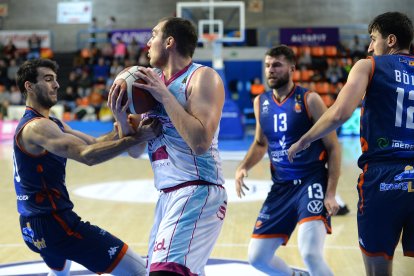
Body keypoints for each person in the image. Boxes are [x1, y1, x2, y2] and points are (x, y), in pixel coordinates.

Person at [288, 12, 414, 276]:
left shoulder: (369, 65)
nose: (370, 46)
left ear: (390, 40)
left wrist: (304, 139)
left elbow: (339, 113)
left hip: (384, 176)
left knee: (378, 269)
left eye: (373, 39)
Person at [13, 58, 161, 275]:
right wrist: (134, 139)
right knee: (138, 270)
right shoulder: (37, 127)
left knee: (60, 270)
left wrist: (121, 122)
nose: (56, 84)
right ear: (29, 86)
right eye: (48, 79)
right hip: (55, 225)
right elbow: (87, 155)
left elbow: (93, 143)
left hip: (31, 226)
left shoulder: (53, 123)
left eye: (55, 79)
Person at [108, 17, 227, 275]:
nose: (148, 43)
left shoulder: (202, 77)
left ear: (170, 42)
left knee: (164, 272)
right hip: (166, 195)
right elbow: (135, 150)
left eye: (153, 35)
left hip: (198, 189)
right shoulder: (148, 84)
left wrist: (163, 94)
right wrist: (121, 118)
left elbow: (200, 143)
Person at [235, 45, 341, 276]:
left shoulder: (309, 100)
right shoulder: (260, 102)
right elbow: (260, 144)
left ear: (292, 68)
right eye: (267, 65)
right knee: (257, 257)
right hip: (281, 187)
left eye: (276, 65)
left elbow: (333, 147)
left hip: (311, 182)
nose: (270, 70)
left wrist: (331, 192)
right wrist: (243, 167)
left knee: (311, 254)